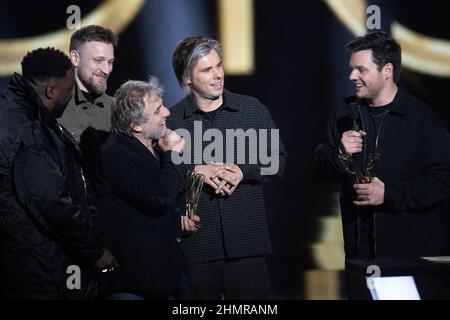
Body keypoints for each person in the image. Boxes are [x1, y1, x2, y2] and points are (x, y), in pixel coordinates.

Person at [313, 31, 450, 262]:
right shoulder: (344, 112)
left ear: (387, 71)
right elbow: (320, 168)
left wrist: (389, 195)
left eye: (361, 69)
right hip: (358, 253)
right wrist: (340, 153)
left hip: (408, 253)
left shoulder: (421, 118)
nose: (352, 76)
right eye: (352, 68)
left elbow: (444, 179)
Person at [167, 36, 286, 299]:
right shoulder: (172, 120)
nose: (218, 75)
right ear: (187, 78)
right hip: (197, 245)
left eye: (218, 66)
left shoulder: (251, 110)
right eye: (207, 70)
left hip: (247, 242)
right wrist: (192, 173)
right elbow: (158, 179)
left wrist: (244, 170)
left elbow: (277, 159)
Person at [0, 47, 117, 300]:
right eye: (68, 90)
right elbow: (52, 202)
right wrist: (94, 251)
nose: (71, 96)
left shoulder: (15, 113)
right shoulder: (28, 129)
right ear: (50, 91)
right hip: (39, 269)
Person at [96, 77, 199, 300]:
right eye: (157, 110)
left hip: (163, 278)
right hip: (135, 284)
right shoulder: (117, 153)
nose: (167, 113)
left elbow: (156, 197)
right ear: (136, 125)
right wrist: (173, 155)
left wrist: (178, 219)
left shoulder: (152, 148)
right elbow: (158, 196)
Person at [58, 25, 118, 180]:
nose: (106, 70)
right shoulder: (53, 107)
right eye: (98, 60)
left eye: (110, 62)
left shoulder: (118, 109)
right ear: (75, 58)